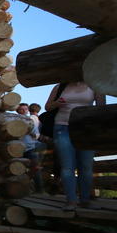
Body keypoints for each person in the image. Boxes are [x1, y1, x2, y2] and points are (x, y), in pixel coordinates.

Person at [45, 82, 105, 210]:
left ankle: (85, 200)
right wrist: (57, 104)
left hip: (86, 128)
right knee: (67, 166)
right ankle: (71, 201)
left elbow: (101, 109)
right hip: (62, 127)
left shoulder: (95, 86)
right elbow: (48, 107)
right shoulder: (59, 86)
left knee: (86, 166)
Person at [16, 103, 46, 193]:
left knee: (35, 168)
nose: (24, 111)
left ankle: (39, 190)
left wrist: (27, 130)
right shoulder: (14, 120)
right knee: (19, 169)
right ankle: (21, 189)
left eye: (26, 109)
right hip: (18, 148)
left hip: (30, 147)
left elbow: (36, 134)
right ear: (18, 111)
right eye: (22, 109)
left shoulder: (30, 120)